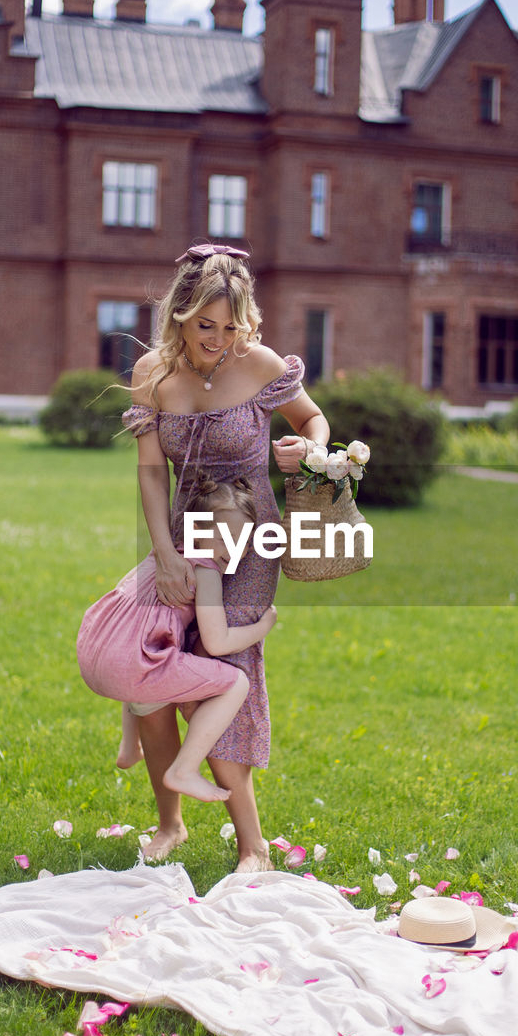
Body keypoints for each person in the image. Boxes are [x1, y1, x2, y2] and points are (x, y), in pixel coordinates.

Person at [123, 242, 329, 872]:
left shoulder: (260, 363)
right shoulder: (153, 374)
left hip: (250, 535)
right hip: (183, 535)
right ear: (179, 316)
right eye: (203, 325)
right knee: (150, 672)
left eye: (229, 325)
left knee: (223, 666)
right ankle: (170, 823)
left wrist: (308, 451)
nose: (217, 338)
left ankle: (253, 847)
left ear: (247, 321)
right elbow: (152, 475)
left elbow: (315, 420)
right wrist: (162, 552)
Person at [77, 474, 277, 805]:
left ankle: (130, 747)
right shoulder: (206, 569)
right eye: (226, 539)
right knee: (236, 684)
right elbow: (217, 642)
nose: (235, 551)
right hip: (131, 668)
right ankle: (184, 769)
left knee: (143, 651)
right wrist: (263, 626)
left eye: (243, 542)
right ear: (197, 530)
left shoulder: (164, 558)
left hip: (95, 654)